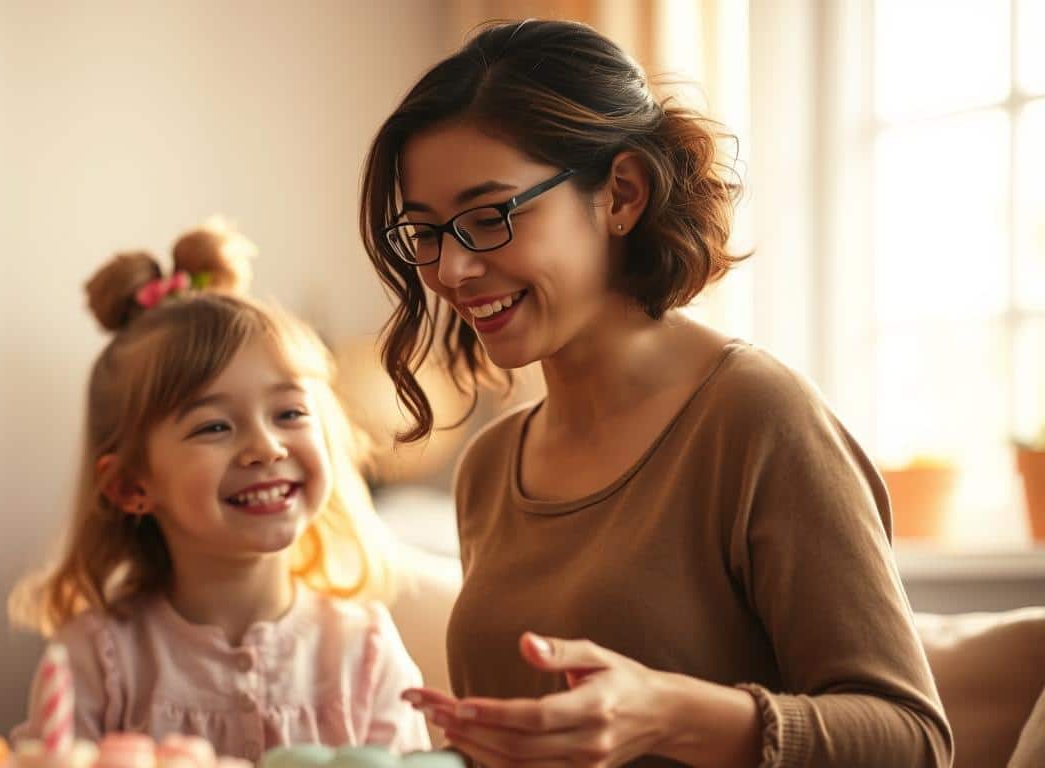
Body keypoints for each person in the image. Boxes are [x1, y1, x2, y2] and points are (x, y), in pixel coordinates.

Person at [359, 19, 953, 768]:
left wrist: (669, 714)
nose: (452, 271)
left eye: (488, 217)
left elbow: (913, 741)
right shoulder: (490, 465)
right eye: (425, 232)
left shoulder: (756, 417)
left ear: (622, 195)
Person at [10, 220, 431, 762]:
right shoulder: (96, 658)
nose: (266, 447)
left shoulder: (364, 649)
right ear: (129, 485)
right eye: (214, 426)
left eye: (289, 413)